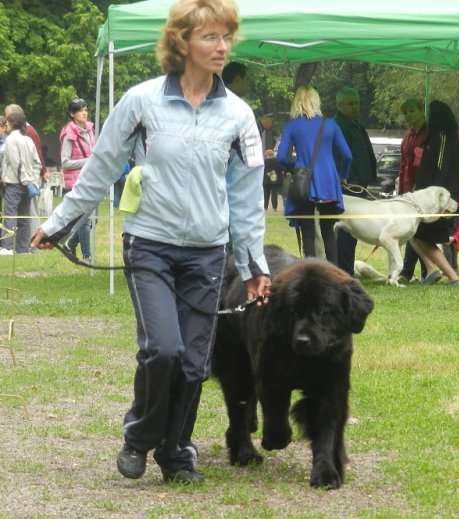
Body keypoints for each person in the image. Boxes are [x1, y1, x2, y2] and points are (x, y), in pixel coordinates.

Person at [32, 0, 270, 484]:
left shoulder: (239, 115)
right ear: (182, 42)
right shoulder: (141, 102)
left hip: (208, 253)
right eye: (210, 36)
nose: (222, 46)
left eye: (227, 37)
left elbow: (246, 199)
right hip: (150, 246)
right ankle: (139, 436)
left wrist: (254, 268)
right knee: (163, 349)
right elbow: (100, 168)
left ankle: (176, 453)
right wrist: (60, 223)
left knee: (194, 364)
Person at [277, 85, 351, 263]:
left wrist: (294, 167)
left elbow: (280, 157)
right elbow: (347, 155)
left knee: (308, 233)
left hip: (304, 182)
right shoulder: (330, 124)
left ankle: (311, 272)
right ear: (316, 101)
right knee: (328, 233)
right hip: (329, 183)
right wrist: (343, 176)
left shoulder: (292, 125)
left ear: (297, 102)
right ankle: (333, 272)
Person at [411, 100, 459, 285]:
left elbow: (440, 170)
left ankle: (452, 276)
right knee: (415, 234)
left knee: (423, 236)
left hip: (439, 199)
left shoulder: (441, 139)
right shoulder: (449, 139)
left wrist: (437, 201)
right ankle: (431, 270)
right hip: (441, 197)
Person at [333, 87, 377, 276]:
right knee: (346, 229)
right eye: (351, 104)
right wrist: (342, 177)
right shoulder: (337, 126)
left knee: (354, 230)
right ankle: (344, 270)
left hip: (360, 183)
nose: (355, 107)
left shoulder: (356, 125)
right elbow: (337, 156)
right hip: (347, 184)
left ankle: (346, 268)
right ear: (339, 105)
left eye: (357, 103)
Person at [396, 98, 428, 283]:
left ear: (421, 111)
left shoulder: (429, 134)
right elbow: (403, 165)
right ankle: (408, 271)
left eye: (411, 111)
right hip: (408, 191)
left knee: (422, 231)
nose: (408, 115)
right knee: (412, 231)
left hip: (424, 191)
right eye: (405, 112)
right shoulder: (408, 137)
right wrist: (401, 191)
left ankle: (421, 271)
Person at [1, 109, 41, 255]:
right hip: (28, 184)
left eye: (7, 121)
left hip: (15, 183)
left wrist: (26, 181)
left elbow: (16, 163)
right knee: (25, 216)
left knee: (11, 215)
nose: (6, 124)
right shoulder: (28, 140)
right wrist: (33, 181)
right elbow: (37, 164)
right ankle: (23, 248)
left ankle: (7, 247)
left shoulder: (11, 140)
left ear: (12, 123)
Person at [60, 98, 96, 261]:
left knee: (92, 219)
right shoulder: (69, 133)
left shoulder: (89, 129)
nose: (84, 113)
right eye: (81, 110)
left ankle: (70, 244)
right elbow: (65, 162)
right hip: (77, 181)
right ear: (72, 114)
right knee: (85, 219)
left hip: (91, 178)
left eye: (86, 110)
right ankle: (88, 256)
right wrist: (88, 161)